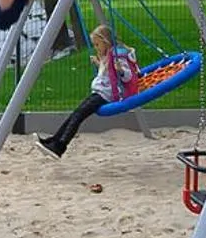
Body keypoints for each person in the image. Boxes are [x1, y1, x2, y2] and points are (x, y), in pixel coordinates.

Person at [37, 24, 140, 157]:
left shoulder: (117, 56)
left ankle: (60, 146)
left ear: (106, 42)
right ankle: (53, 140)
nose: (96, 48)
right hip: (100, 93)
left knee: (78, 116)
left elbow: (128, 77)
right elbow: (109, 76)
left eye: (97, 44)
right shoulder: (108, 55)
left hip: (105, 95)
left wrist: (120, 70)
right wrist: (99, 64)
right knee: (75, 114)